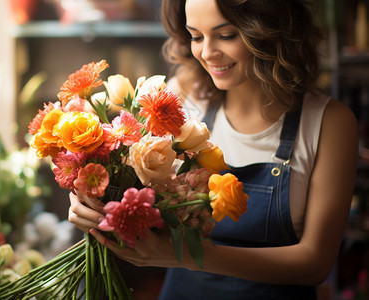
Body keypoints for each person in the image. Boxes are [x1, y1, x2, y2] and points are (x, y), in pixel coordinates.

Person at [68, 0, 359, 299]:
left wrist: (185, 256)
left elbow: (315, 263)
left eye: (227, 35)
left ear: (271, 31)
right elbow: (140, 197)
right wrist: (95, 201)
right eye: (196, 36)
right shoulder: (180, 99)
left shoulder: (330, 123)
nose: (207, 53)